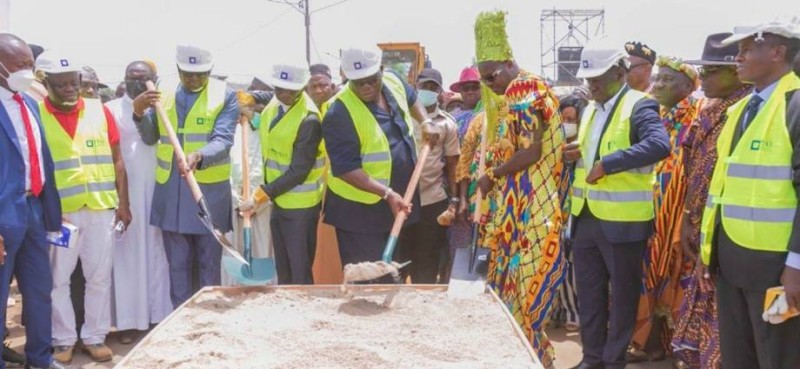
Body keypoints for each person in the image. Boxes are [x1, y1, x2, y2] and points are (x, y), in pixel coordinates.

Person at [698, 18, 800, 369]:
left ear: (777, 52)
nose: (736, 58)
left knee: (778, 353)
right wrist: (707, 250)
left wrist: (796, 266)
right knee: (739, 355)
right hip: (732, 263)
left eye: (745, 50)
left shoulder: (796, 106)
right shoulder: (739, 110)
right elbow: (722, 189)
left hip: (776, 270)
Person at [564, 36, 670, 369]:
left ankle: (613, 361)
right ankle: (591, 358)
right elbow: (592, 152)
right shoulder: (590, 110)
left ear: (619, 72)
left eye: (597, 78)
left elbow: (658, 145)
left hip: (623, 223)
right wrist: (576, 154)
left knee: (622, 299)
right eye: (588, 78)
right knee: (591, 298)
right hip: (586, 218)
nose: (591, 85)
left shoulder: (639, 105)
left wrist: (607, 164)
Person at [471, 11, 566, 367]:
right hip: (517, 207)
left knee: (525, 286)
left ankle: (533, 356)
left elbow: (531, 151)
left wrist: (492, 174)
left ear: (510, 63)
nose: (490, 83)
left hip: (532, 208)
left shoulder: (525, 90)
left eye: (492, 75)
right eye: (484, 78)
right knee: (510, 284)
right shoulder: (512, 90)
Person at [35, 50, 131, 364]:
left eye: (72, 82)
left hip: (101, 209)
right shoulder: (37, 115)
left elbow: (118, 159)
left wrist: (123, 203)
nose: (69, 88)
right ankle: (63, 340)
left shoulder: (99, 111)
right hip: (59, 214)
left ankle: (94, 336)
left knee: (99, 277)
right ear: (44, 82)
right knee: (58, 280)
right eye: (60, 84)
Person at [668, 32, 751, 369]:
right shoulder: (710, 112)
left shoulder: (748, 111)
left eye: (712, 71)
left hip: (736, 233)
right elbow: (693, 166)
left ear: (737, 71)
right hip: (704, 223)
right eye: (703, 72)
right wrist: (689, 214)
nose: (704, 80)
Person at [132, 44, 238, 307]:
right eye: (187, 73)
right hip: (172, 194)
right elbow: (149, 137)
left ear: (210, 71)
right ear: (178, 69)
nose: (193, 79)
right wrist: (138, 113)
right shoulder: (162, 93)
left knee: (208, 264)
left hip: (208, 193)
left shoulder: (224, 96)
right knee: (177, 267)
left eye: (200, 74)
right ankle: (179, 319)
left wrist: (199, 156)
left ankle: (208, 318)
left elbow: (224, 140)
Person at [321, 45, 434, 274]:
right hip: (359, 213)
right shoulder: (338, 112)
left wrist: (425, 122)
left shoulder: (394, 81)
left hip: (399, 202)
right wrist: (387, 193)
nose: (365, 87)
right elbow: (345, 168)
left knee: (395, 271)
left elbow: (412, 100)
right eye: (358, 82)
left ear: (381, 70)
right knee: (368, 278)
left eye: (371, 80)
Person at [0, 33, 66, 369]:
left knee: (40, 289)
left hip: (33, 211)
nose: (29, 71)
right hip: (2, 216)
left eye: (31, 64)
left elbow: (42, 160)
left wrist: (50, 213)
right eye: (21, 65)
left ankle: (40, 359)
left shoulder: (28, 103)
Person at [631, 55, 701, 363]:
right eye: (657, 78)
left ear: (689, 86)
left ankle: (679, 347)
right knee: (648, 276)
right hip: (651, 213)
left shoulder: (699, 115)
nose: (658, 84)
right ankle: (650, 344)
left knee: (680, 278)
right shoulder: (652, 113)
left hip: (682, 215)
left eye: (667, 80)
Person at [239, 60, 325, 285]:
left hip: (300, 207)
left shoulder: (309, 120)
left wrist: (260, 196)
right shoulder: (277, 102)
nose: (285, 94)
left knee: (299, 272)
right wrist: (251, 100)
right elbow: (269, 110)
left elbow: (298, 171)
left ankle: (304, 316)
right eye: (279, 88)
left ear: (302, 87)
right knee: (284, 270)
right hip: (279, 201)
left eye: (291, 90)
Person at [106, 61, 172, 345]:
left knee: (159, 254)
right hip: (126, 192)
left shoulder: (165, 107)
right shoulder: (109, 109)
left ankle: (160, 314)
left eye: (144, 78)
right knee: (128, 257)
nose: (138, 83)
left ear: (155, 80)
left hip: (158, 189)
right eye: (131, 79)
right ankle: (130, 321)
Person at [394, 68, 459, 283]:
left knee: (427, 260)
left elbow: (452, 164)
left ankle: (424, 305)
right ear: (415, 88)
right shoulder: (401, 116)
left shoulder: (447, 124)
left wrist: (455, 200)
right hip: (401, 198)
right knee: (400, 260)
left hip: (432, 200)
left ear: (440, 92)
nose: (428, 91)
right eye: (424, 87)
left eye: (433, 88)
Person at [222, 91, 274, 287]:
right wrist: (237, 201)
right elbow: (226, 171)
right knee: (234, 249)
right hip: (234, 202)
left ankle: (264, 287)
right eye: (242, 109)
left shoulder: (265, 130)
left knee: (262, 247)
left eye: (251, 108)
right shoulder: (227, 132)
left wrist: (257, 200)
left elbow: (267, 170)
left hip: (261, 201)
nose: (246, 113)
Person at [553, 91, 589, 333]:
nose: (567, 124)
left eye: (571, 119)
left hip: (581, 209)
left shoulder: (588, 145)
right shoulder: (557, 147)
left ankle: (576, 312)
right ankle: (566, 310)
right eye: (563, 119)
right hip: (560, 209)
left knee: (575, 262)